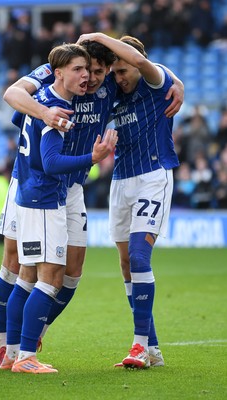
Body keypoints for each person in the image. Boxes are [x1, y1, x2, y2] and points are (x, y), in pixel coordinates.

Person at [0, 39, 184, 368]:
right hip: (32, 181)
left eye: (97, 71)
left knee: (71, 272)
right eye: (82, 70)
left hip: (71, 186)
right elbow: (13, 95)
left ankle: (32, 337)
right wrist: (46, 113)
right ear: (65, 70)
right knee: (19, 266)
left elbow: (142, 66)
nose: (90, 77)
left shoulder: (108, 86)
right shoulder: (54, 84)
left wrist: (176, 81)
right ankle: (7, 347)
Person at [0, 42, 118, 373]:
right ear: (59, 73)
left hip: (35, 194)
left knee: (28, 277)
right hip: (45, 195)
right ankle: (25, 355)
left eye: (90, 70)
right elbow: (51, 163)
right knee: (49, 277)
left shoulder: (45, 103)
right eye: (79, 70)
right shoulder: (55, 109)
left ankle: (13, 352)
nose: (86, 77)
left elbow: (24, 125)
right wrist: (93, 157)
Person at [77, 32, 180, 369]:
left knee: (139, 255)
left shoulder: (154, 82)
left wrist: (94, 35)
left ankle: (137, 346)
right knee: (125, 264)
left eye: (123, 71)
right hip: (121, 181)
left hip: (154, 176)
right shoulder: (110, 93)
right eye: (114, 73)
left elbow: (139, 60)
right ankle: (153, 349)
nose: (118, 78)